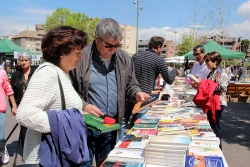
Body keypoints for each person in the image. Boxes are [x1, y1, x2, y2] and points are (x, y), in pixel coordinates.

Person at [70, 18, 149, 167]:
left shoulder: (124, 58)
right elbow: (68, 90)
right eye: (108, 45)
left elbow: (131, 84)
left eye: (116, 45)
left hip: (111, 126)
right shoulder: (80, 56)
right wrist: (83, 105)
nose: (112, 49)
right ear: (96, 37)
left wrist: (137, 93)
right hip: (86, 126)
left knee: (108, 164)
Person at [16, 26, 88, 164]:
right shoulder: (48, 73)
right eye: (77, 52)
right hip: (45, 158)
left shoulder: (62, 72)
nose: (81, 56)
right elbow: (25, 115)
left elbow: (59, 105)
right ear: (62, 52)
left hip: (56, 155)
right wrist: (68, 123)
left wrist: (82, 110)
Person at [130, 36, 179, 123]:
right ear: (159, 46)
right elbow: (170, 80)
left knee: (124, 123)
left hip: (131, 94)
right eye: (162, 47)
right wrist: (174, 71)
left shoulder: (135, 56)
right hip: (145, 98)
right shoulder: (159, 60)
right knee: (139, 125)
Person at [193, 51, 229, 149]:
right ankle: (214, 146)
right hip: (211, 102)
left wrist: (204, 84)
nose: (207, 63)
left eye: (208, 61)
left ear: (215, 61)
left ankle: (218, 148)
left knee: (215, 127)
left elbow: (222, 88)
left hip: (217, 103)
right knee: (212, 126)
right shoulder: (213, 72)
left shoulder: (221, 72)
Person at [10, 52, 37, 155]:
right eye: (21, 60)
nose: (23, 62)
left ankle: (36, 153)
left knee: (35, 129)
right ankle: (26, 154)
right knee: (24, 131)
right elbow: (11, 92)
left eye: (26, 60)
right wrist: (14, 106)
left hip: (35, 107)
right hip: (22, 107)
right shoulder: (16, 75)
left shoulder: (36, 72)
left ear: (30, 61)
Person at [0, 68, 17, 164]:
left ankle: (2, 149)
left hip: (0, 110)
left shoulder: (2, 73)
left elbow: (8, 90)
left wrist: (14, 106)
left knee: (0, 137)